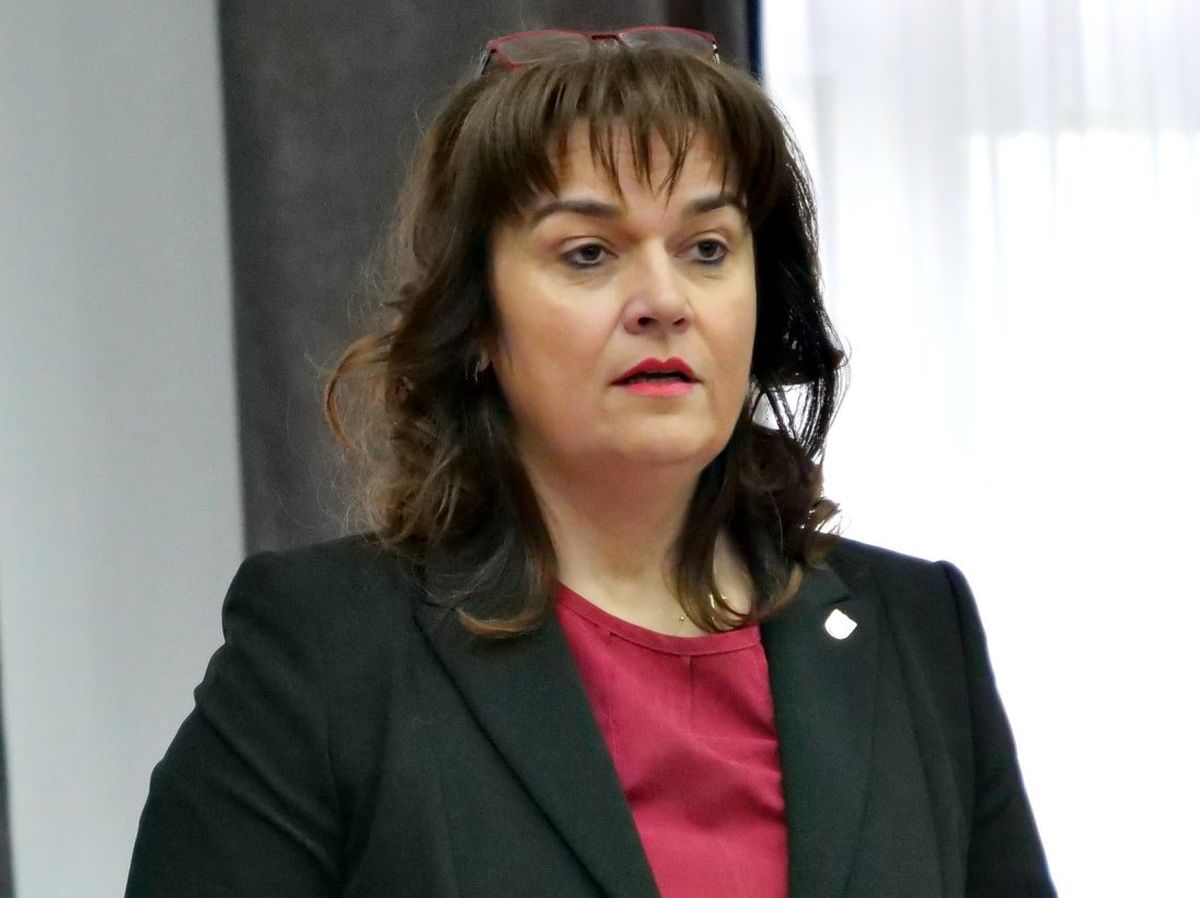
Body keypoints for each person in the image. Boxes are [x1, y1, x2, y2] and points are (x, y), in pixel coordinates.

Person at [126, 26, 1056, 897]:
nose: (663, 299)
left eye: (706, 248)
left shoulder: (919, 632)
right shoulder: (325, 652)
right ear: (477, 321)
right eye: (587, 254)